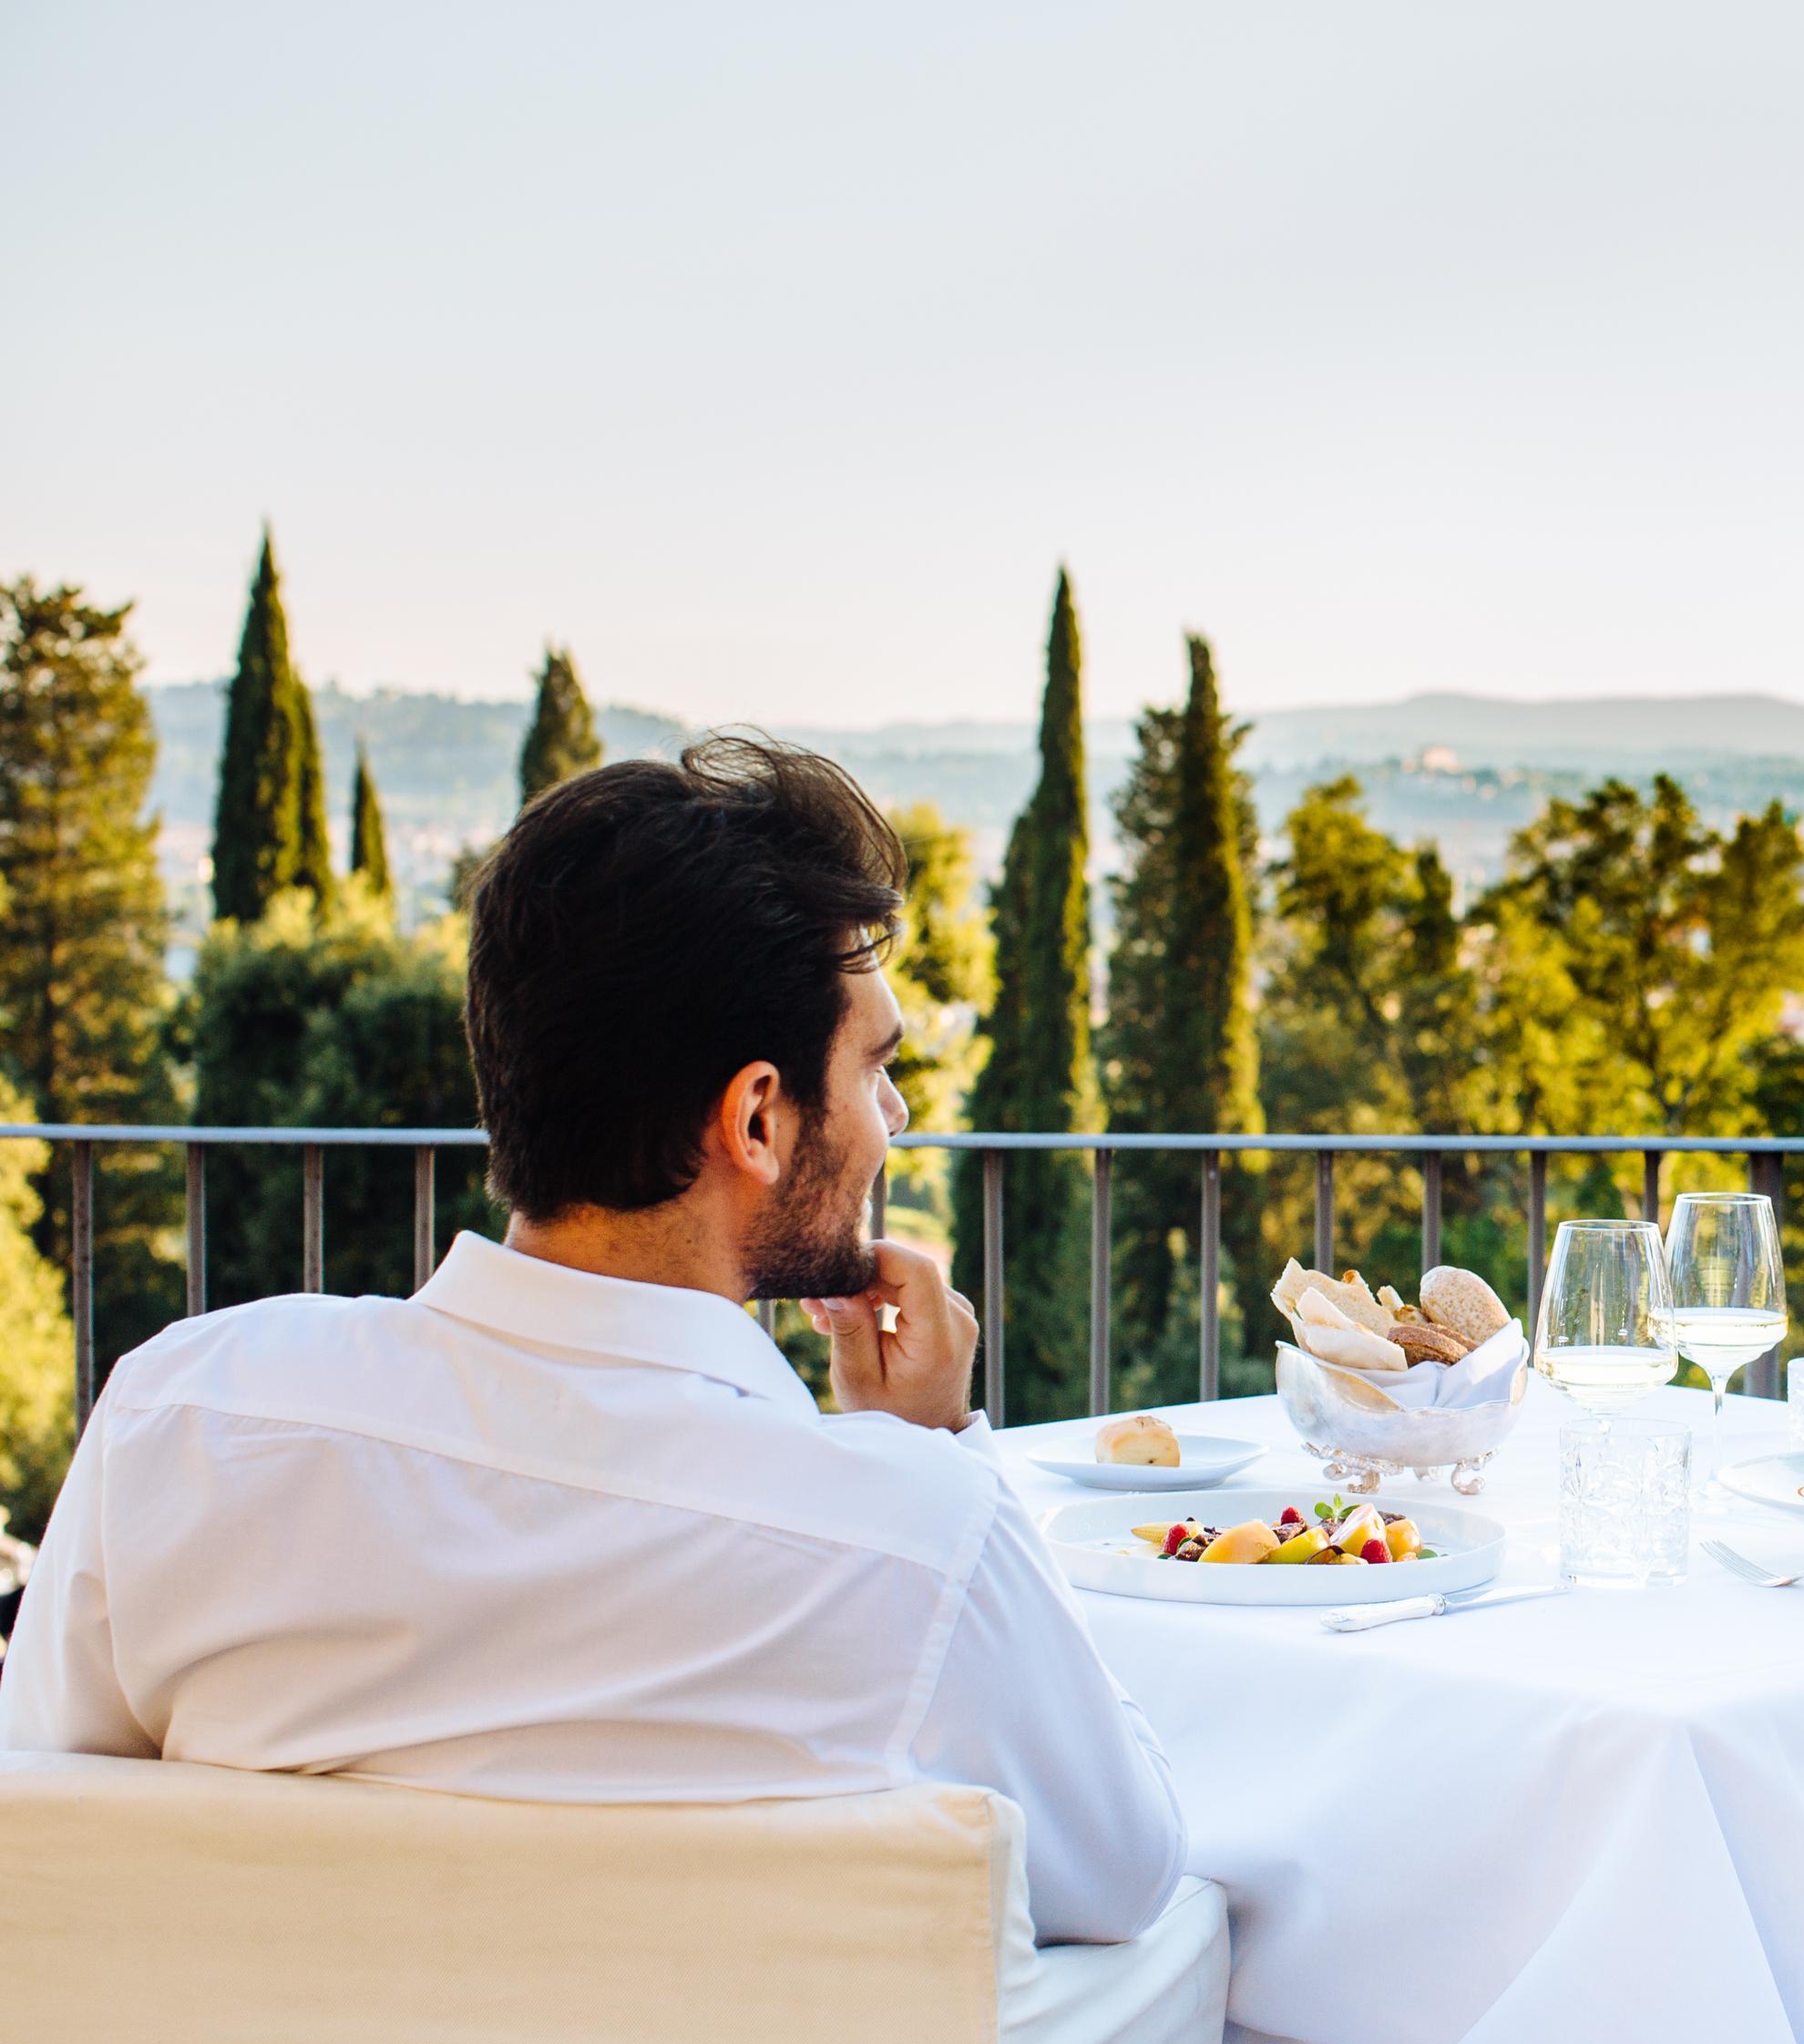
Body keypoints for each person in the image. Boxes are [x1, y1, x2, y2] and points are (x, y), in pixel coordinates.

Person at [0, 736, 1184, 1945]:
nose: (895, 1117)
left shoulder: (181, 1420)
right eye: (875, 1067)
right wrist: (932, 1452)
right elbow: (1128, 1872)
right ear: (759, 1116)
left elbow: (43, 1823)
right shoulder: (916, 1545)